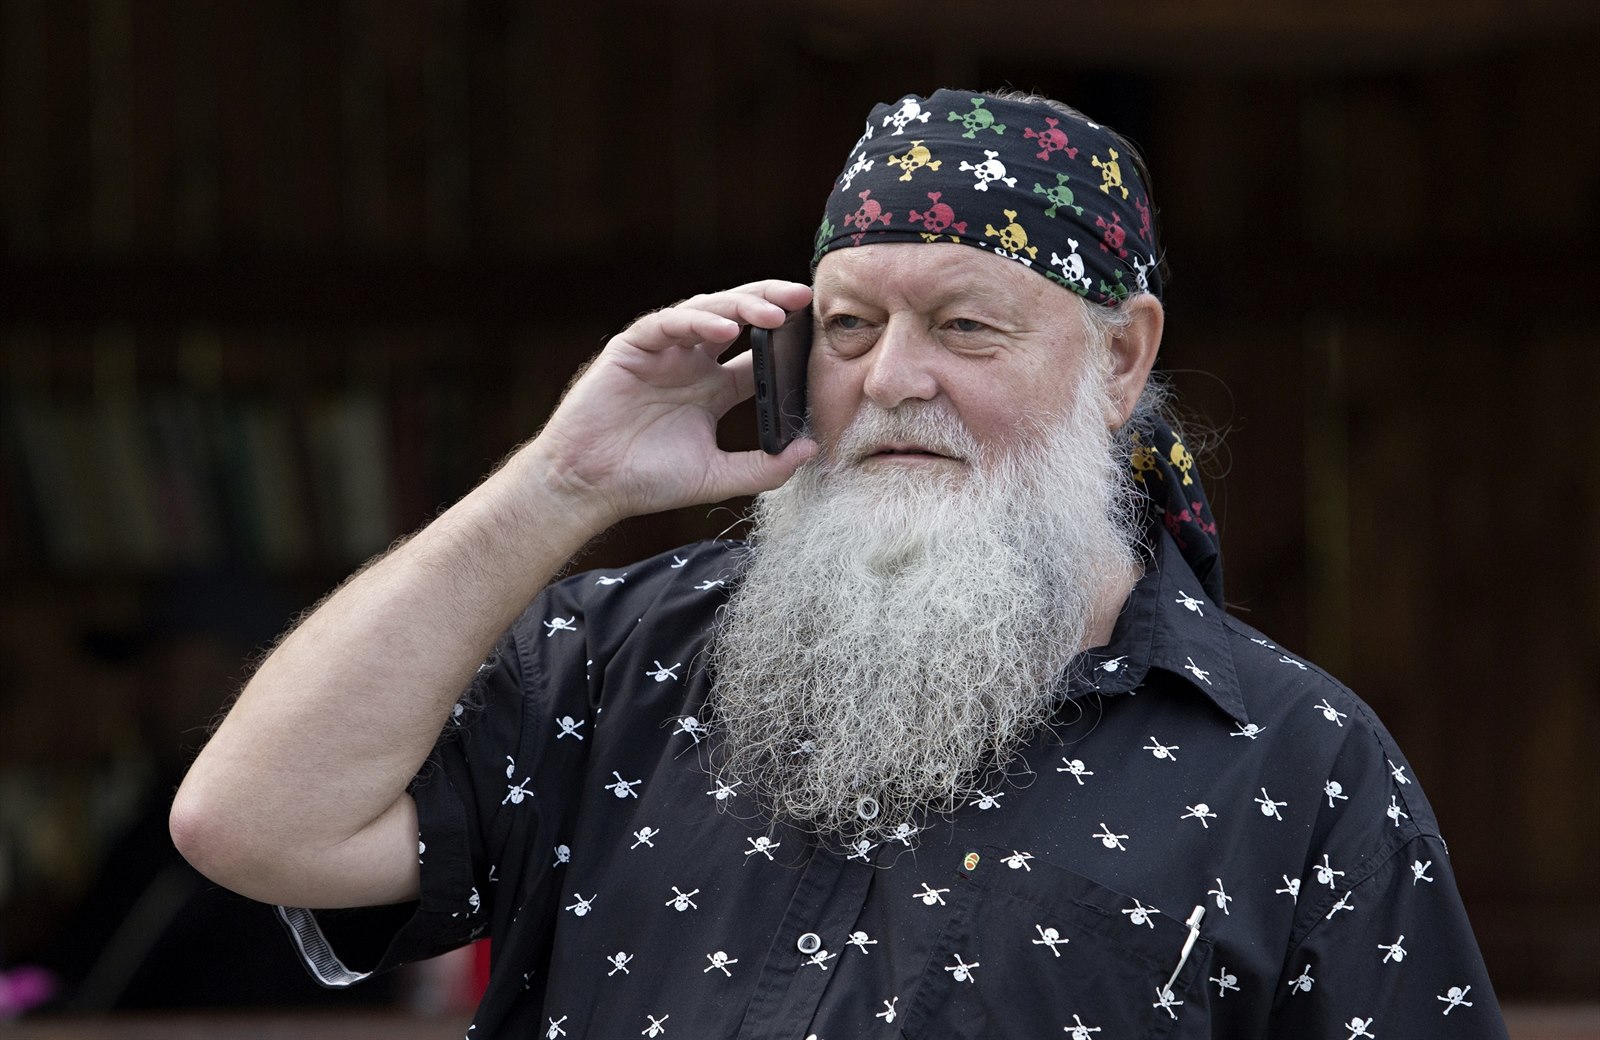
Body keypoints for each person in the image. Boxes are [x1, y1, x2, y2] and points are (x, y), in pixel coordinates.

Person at [171, 89, 1508, 1038]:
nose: (891, 379)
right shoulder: (618, 658)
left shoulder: (1297, 763)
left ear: (1120, 359)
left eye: (966, 326)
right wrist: (563, 481)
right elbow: (252, 826)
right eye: (853, 325)